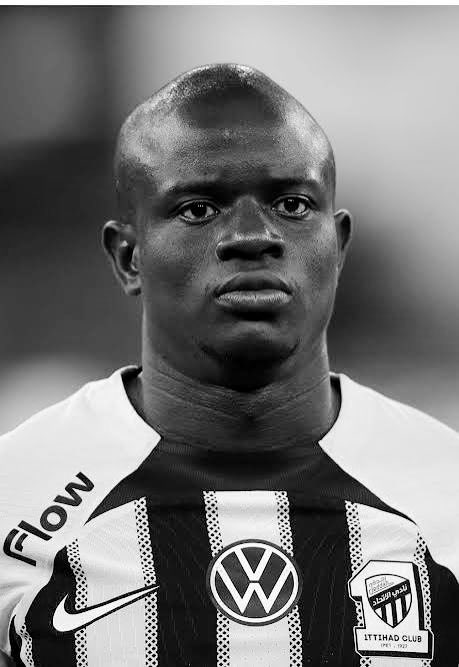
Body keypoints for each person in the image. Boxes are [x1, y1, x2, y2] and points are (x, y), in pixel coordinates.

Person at [0, 63, 458, 667]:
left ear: (339, 246)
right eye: (198, 208)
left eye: (293, 204)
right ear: (129, 257)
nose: (251, 235)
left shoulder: (447, 490)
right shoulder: (14, 494)